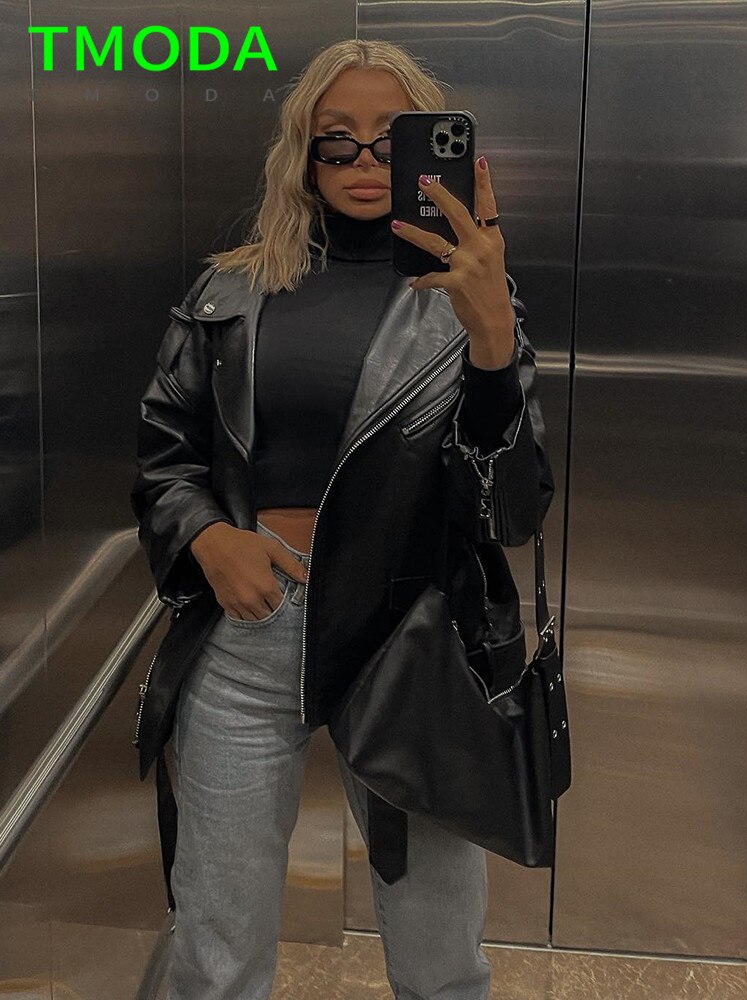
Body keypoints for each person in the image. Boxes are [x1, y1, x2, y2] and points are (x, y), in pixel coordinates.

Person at [131, 38, 554, 1000]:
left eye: (393, 140)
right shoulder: (230, 290)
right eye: (338, 140)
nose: (366, 161)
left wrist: (492, 335)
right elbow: (166, 454)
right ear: (305, 156)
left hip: (411, 640)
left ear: (433, 153)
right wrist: (209, 537)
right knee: (214, 950)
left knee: (442, 961)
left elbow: (512, 507)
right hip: (249, 631)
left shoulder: (467, 302)